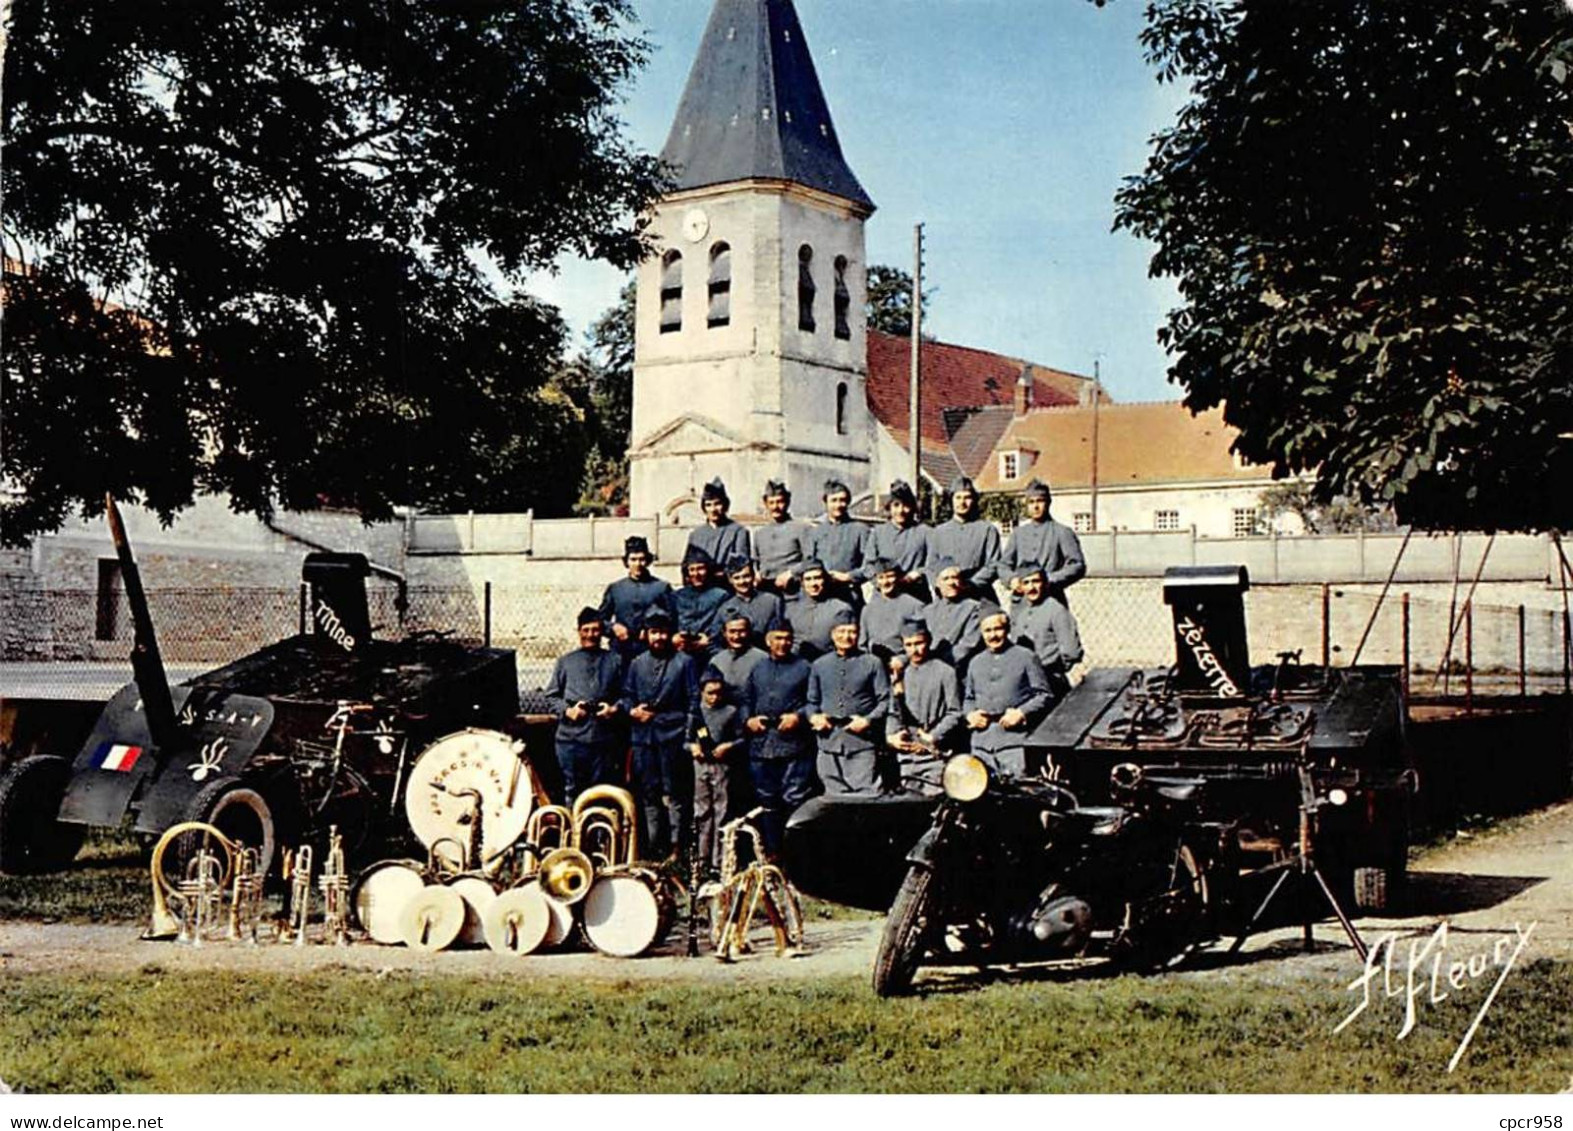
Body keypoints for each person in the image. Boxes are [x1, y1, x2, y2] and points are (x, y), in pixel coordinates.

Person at [620, 609, 698, 859]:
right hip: (643, 738)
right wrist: (633, 710)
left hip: (673, 737)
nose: (659, 637)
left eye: (664, 632)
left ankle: (677, 847)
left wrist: (685, 734)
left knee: (675, 793)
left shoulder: (684, 662)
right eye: (654, 632)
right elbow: (626, 696)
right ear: (646, 635)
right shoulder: (637, 663)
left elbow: (694, 701)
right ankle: (654, 846)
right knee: (648, 793)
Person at [742, 619, 817, 856]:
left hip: (794, 745)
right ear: (767, 641)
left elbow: (814, 701)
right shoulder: (757, 668)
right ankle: (772, 853)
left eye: (787, 638)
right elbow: (746, 700)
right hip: (761, 745)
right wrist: (748, 720)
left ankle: (796, 854)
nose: (782, 643)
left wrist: (799, 716)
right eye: (777, 638)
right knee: (768, 801)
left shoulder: (805, 667)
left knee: (795, 798)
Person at [543, 607, 625, 801]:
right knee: (572, 790)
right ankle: (574, 830)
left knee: (601, 792)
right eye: (586, 630)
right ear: (579, 631)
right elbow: (551, 696)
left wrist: (613, 709)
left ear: (602, 632)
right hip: (571, 740)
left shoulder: (615, 660)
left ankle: (598, 832)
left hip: (603, 740)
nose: (591, 635)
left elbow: (628, 696)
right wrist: (568, 710)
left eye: (595, 630)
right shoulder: (565, 662)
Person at [963, 605, 1054, 778]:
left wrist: (1021, 712)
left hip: (1014, 743)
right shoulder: (975, 662)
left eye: (998, 629)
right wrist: (970, 715)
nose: (993, 635)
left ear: (1007, 629)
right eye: (987, 631)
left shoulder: (1026, 657)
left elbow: (1044, 695)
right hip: (981, 745)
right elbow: (969, 698)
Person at [807, 607, 889, 796]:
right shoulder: (820, 665)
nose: (847, 636)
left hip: (862, 743)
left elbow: (885, 700)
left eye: (852, 632)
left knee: (866, 796)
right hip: (829, 743)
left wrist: (868, 720)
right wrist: (814, 718)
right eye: (841, 632)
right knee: (834, 798)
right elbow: (811, 701)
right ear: (832, 635)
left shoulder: (872, 662)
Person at [888, 616, 964, 793]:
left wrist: (932, 737)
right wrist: (894, 736)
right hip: (907, 758)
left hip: (934, 756)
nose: (914, 650)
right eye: (908, 645)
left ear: (928, 642)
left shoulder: (945, 672)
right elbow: (893, 712)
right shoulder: (900, 675)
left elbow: (955, 712)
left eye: (919, 643)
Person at [999, 479, 1086, 623]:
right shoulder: (1018, 534)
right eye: (1031, 502)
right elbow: (1003, 565)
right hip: (1022, 603)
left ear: (1048, 503)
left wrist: (1049, 580)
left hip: (1051, 599)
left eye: (1040, 501)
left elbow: (1077, 565)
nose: (1036, 506)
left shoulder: (1062, 532)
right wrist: (1011, 580)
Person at [688, 668, 745, 877]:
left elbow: (741, 739)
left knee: (722, 812)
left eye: (718, 693)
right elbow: (686, 739)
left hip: (723, 766)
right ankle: (701, 861)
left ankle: (719, 861)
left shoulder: (730, 712)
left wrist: (728, 747)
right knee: (702, 813)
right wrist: (693, 748)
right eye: (710, 692)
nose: (714, 697)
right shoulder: (696, 712)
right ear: (702, 692)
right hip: (701, 766)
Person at [927, 475, 1002, 601]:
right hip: (947, 597)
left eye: (967, 497)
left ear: (974, 500)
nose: (962, 502)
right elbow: (931, 566)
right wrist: (942, 586)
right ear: (951, 500)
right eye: (958, 497)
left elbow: (994, 564)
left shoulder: (987, 530)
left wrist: (970, 584)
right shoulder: (938, 532)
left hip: (979, 594)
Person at [599, 535, 675, 657]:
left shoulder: (661, 588)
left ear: (648, 561)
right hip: (620, 650)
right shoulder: (616, 588)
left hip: (651, 652)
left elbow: (673, 620)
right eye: (633, 560)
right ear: (626, 562)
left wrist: (654, 630)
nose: (638, 564)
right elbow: (600, 620)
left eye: (642, 559)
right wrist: (613, 627)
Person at [1011, 563, 1079, 697]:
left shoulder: (1056, 610)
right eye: (1026, 583)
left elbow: (1072, 651)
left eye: (1036, 581)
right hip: (1025, 682)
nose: (1032, 587)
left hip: (1051, 679)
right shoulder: (1021, 612)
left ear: (1045, 583)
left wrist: (1054, 669)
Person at [807, 479, 872, 607]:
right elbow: (809, 563)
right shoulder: (816, 532)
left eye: (842, 500)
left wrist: (848, 576)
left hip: (849, 595)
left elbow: (870, 566)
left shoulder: (861, 530)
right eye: (834, 500)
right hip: (822, 596)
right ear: (825, 502)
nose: (838, 505)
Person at [869, 479, 930, 601]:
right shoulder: (878, 533)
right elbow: (868, 565)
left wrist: (917, 574)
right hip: (884, 597)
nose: (901, 510)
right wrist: (881, 580)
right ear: (889, 507)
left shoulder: (925, 532)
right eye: (896, 505)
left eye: (906, 505)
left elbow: (933, 563)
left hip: (914, 595)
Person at [859, 557, 926, 666]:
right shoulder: (868, 609)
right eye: (881, 577)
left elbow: (922, 644)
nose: (885, 582)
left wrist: (903, 660)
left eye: (890, 576)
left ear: (898, 577)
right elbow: (862, 645)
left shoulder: (914, 606)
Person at [923, 559, 983, 673]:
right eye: (945, 579)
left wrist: (943, 663)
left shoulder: (973, 608)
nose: (951, 582)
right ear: (937, 584)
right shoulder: (928, 611)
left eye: (955, 578)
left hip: (958, 668)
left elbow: (969, 643)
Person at [753, 480, 811, 598]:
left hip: (792, 591)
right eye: (772, 502)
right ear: (766, 504)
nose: (776, 507)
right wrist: (757, 574)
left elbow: (810, 560)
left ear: (787, 502)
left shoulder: (801, 528)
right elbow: (756, 561)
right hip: (766, 591)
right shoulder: (759, 533)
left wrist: (792, 573)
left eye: (780, 502)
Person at [786, 560, 854, 661]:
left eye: (817, 578)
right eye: (808, 579)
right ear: (802, 583)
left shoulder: (841, 609)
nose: (813, 584)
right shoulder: (791, 608)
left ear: (825, 580)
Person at [671, 545, 729, 663]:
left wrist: (709, 639)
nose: (696, 574)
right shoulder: (677, 596)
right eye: (692, 569)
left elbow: (721, 623)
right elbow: (671, 621)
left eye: (701, 568)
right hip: (682, 649)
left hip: (710, 648)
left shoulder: (721, 596)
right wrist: (675, 637)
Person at [686, 478, 751, 577]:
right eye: (708, 505)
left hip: (727, 584)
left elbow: (741, 564)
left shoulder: (738, 531)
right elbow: (687, 566)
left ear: (725, 505)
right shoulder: (695, 535)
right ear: (704, 508)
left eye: (717, 504)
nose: (713, 509)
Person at [723, 554, 783, 648]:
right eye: (737, 578)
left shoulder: (772, 601)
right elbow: (716, 641)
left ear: (753, 576)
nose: (742, 581)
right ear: (730, 580)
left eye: (746, 576)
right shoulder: (725, 608)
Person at [710, 607, 765, 704]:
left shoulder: (762, 659)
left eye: (741, 631)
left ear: (749, 632)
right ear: (724, 633)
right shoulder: (716, 660)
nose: (737, 636)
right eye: (732, 631)